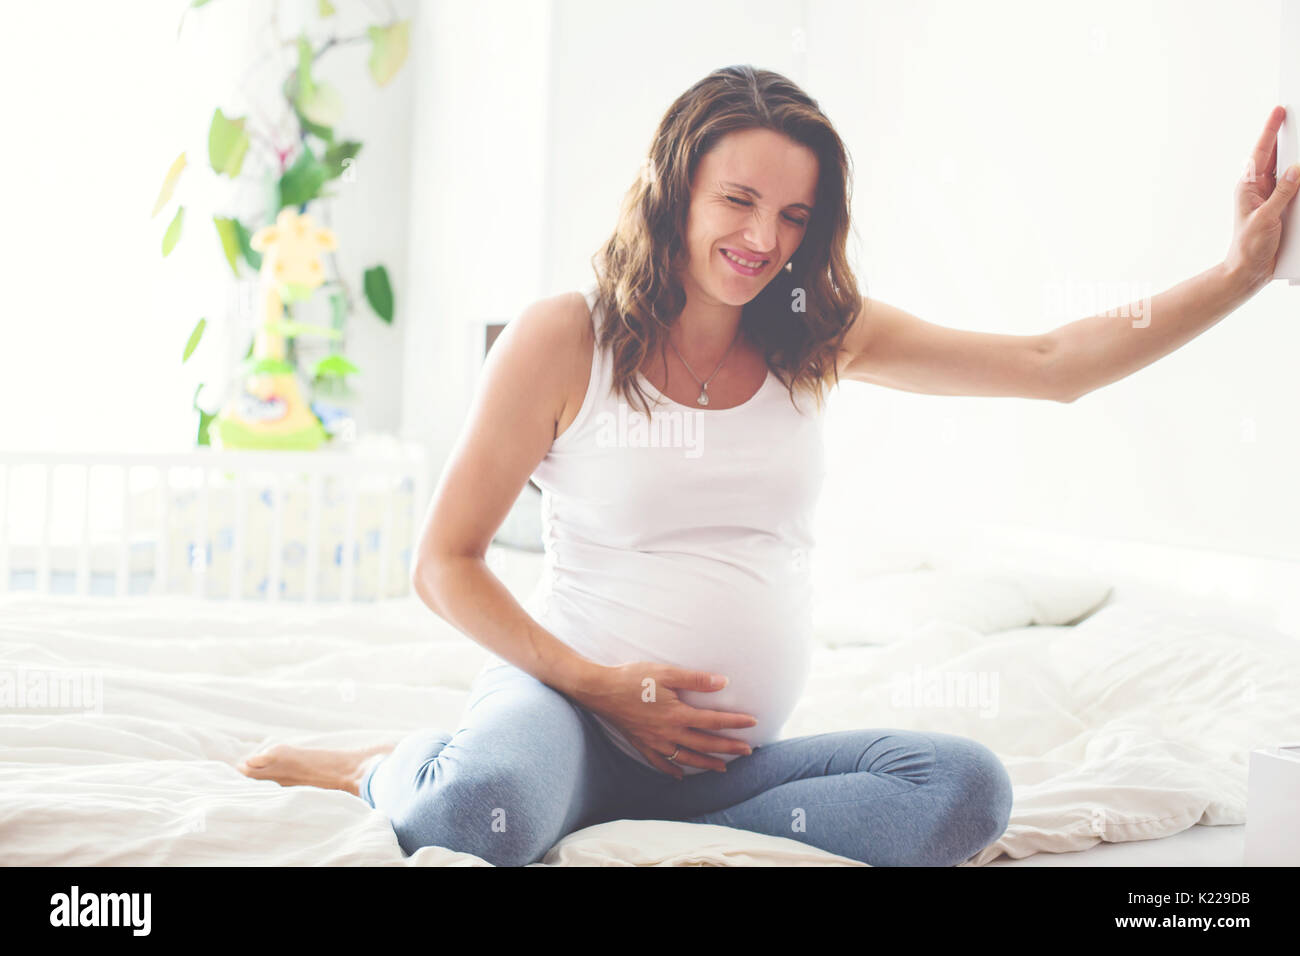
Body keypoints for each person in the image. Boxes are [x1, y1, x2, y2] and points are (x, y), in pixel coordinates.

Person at [238, 66, 1299, 866]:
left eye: (794, 216)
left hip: (723, 759)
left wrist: (1240, 271)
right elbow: (445, 560)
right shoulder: (566, 337)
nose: (763, 238)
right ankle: (391, 762)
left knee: (963, 792)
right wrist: (607, 687)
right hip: (566, 704)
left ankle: (601, 808)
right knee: (483, 816)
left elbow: (1049, 363)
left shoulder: (817, 333)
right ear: (674, 189)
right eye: (737, 201)